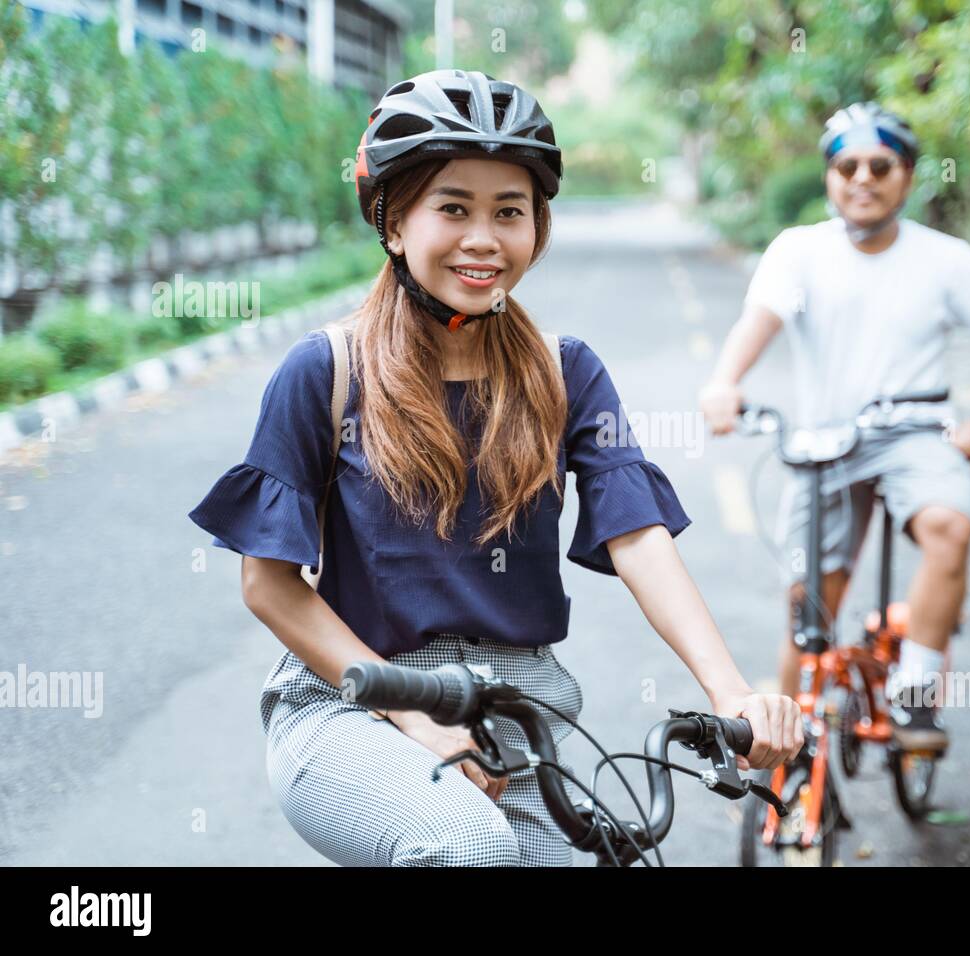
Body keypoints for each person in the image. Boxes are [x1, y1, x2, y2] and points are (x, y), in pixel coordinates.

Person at [188, 69, 802, 867]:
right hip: (353, 705)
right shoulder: (326, 370)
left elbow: (638, 535)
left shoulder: (564, 371)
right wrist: (412, 716)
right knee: (467, 847)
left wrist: (732, 692)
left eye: (509, 211)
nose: (484, 238)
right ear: (394, 222)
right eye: (453, 207)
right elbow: (268, 584)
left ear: (536, 230)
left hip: (521, 718)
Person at [699, 101, 970, 753]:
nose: (862, 178)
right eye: (846, 165)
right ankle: (785, 748)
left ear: (907, 176)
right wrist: (724, 381)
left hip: (917, 432)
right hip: (825, 440)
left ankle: (915, 691)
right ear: (829, 177)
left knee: (950, 525)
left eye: (880, 165)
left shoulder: (946, 258)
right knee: (808, 614)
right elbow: (759, 320)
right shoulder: (798, 252)